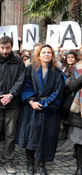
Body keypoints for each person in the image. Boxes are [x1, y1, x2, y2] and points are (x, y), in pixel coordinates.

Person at [16, 44, 65, 175]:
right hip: (31, 108)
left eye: (49, 52)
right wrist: (32, 101)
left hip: (49, 109)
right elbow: (25, 85)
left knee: (46, 136)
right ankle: (30, 163)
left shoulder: (57, 72)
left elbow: (58, 91)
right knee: (30, 135)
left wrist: (46, 103)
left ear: (52, 55)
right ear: (38, 55)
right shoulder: (31, 69)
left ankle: (42, 163)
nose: (46, 54)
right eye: (44, 52)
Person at [0, 36, 25, 174]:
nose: (5, 50)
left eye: (7, 47)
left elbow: (21, 80)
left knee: (10, 135)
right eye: (2, 47)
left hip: (13, 104)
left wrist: (11, 95)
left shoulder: (18, 62)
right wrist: (0, 96)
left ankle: (8, 160)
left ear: (12, 46)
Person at [68, 58, 82, 175]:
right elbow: (72, 87)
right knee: (79, 140)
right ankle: (80, 168)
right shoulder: (77, 67)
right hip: (79, 109)